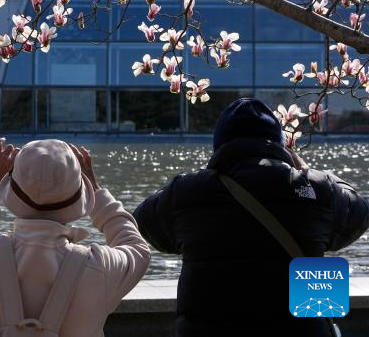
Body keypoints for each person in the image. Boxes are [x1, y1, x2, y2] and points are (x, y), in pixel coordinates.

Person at [134, 97, 369, 337]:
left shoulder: (186, 192)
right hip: (300, 331)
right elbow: (359, 212)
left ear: (219, 145)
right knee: (317, 277)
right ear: (279, 145)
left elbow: (141, 223)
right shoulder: (317, 189)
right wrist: (308, 171)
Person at [0, 138, 150, 337]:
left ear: (10, 192)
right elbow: (136, 247)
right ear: (81, 195)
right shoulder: (101, 267)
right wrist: (97, 192)